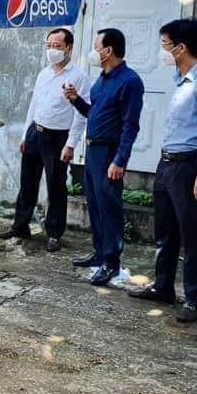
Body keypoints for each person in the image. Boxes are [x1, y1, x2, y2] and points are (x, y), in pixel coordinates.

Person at [128, 19, 197, 323]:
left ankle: (195, 299)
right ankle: (163, 286)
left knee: (191, 234)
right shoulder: (179, 80)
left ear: (180, 48)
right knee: (165, 230)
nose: (162, 51)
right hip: (167, 163)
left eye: (165, 45)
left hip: (189, 166)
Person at [0, 28, 91, 252]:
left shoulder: (79, 77)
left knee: (56, 186)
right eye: (48, 45)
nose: (51, 50)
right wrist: (25, 135)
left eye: (57, 46)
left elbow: (81, 115)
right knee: (27, 183)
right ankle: (20, 226)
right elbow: (34, 104)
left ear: (69, 48)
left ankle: (54, 233)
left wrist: (71, 144)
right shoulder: (44, 73)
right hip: (35, 132)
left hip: (58, 138)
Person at [63, 28, 144, 285]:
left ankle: (111, 262)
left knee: (109, 207)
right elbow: (94, 113)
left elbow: (130, 126)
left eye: (97, 47)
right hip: (93, 150)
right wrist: (76, 100)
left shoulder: (130, 82)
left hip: (110, 151)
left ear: (108, 51)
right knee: (96, 205)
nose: (93, 51)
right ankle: (99, 254)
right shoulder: (101, 80)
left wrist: (120, 160)